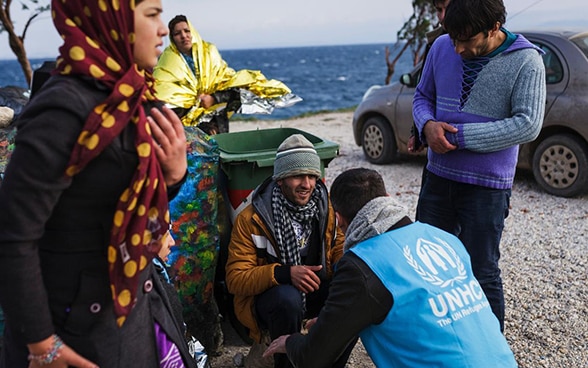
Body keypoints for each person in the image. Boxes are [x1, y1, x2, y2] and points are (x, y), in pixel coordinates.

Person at [0, 0, 197, 367]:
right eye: (152, 15)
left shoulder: (127, 94)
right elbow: (13, 233)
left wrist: (172, 177)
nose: (162, 30)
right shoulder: (61, 112)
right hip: (74, 334)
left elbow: (114, 205)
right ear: (110, 19)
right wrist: (42, 343)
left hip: (130, 316)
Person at [263, 168, 518, 368]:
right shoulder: (443, 238)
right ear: (387, 199)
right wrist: (337, 320)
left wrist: (291, 342)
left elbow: (313, 358)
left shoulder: (360, 266)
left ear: (339, 220)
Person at [412, 0, 546, 331]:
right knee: (428, 265)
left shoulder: (527, 61)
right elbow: (421, 98)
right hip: (437, 179)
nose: (456, 49)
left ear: (494, 28)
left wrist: (460, 138)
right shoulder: (442, 45)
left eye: (466, 41)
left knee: (482, 270)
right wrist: (427, 125)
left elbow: (527, 125)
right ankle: (438, 340)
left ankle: (489, 352)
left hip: (487, 188)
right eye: (452, 37)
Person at [225, 134, 351, 368]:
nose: (307, 184)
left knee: (354, 296)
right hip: (273, 300)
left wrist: (346, 279)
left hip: (316, 288)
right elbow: (235, 279)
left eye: (312, 176)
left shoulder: (328, 209)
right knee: (287, 298)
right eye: (297, 176)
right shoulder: (251, 218)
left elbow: (341, 252)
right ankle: (285, 363)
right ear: (281, 179)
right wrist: (285, 273)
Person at [153, 15, 297, 135]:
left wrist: (213, 99)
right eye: (177, 33)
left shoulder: (210, 54)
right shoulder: (167, 65)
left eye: (187, 30)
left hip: (217, 126)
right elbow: (163, 101)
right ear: (172, 39)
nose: (184, 36)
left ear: (193, 32)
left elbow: (231, 88)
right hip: (183, 133)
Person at [407, 0, 450, 154]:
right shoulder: (434, 43)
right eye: (439, 10)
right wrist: (417, 132)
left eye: (449, 9)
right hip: (436, 141)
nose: (443, 16)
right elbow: (424, 92)